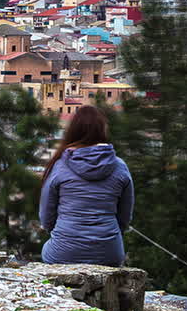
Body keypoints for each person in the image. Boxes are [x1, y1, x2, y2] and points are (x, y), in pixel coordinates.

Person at [38, 105, 134, 265]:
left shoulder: (60, 165)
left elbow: (46, 218)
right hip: (109, 253)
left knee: (46, 251)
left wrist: (66, 234)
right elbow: (124, 218)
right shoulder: (120, 167)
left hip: (63, 253)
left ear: (73, 131)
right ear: (103, 130)